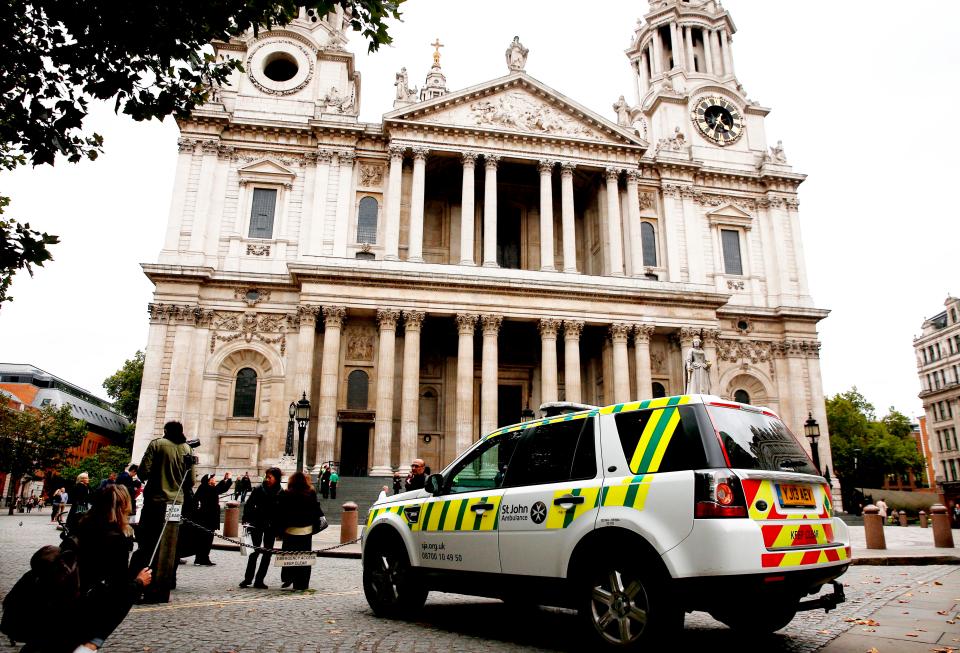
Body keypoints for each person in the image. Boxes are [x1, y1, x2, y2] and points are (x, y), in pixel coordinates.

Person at [130, 420, 195, 603]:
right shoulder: (188, 450)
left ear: (165, 430)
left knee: (148, 544)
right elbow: (190, 481)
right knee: (170, 546)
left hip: (156, 501)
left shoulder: (157, 444)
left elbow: (143, 472)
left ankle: (140, 585)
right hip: (176, 504)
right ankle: (163, 586)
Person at [277, 471, 321, 591]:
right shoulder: (311, 493)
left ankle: (289, 577)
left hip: (290, 530)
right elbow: (316, 511)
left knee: (289, 555)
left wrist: (280, 530)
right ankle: (302, 583)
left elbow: (281, 513)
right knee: (304, 557)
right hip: (306, 530)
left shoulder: (286, 494)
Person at [239, 467, 282, 589]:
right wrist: (246, 518)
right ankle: (248, 579)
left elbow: (281, 512)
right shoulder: (259, 489)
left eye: (270, 477)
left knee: (267, 554)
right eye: (266, 477)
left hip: (271, 526)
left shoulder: (280, 492)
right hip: (257, 523)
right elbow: (249, 504)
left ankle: (259, 580)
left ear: (277, 479)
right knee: (254, 552)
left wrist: (280, 529)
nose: (267, 479)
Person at [191, 472, 233, 566]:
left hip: (204, 517)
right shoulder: (207, 488)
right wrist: (229, 479)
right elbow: (222, 489)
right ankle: (203, 559)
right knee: (207, 539)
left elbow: (217, 489)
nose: (214, 480)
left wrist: (224, 479)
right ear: (209, 481)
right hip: (208, 518)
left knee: (203, 539)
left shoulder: (204, 487)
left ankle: (199, 559)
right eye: (213, 479)